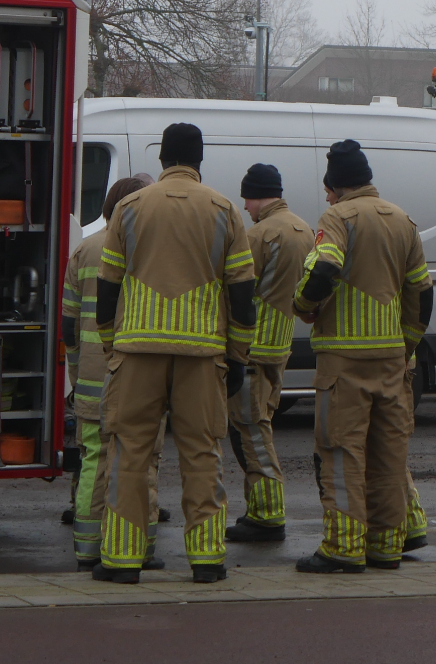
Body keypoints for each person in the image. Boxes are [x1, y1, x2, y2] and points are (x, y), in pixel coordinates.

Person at [93, 123, 256, 584]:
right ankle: (206, 560)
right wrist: (238, 354)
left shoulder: (128, 207)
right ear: (198, 160)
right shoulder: (224, 210)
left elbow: (107, 289)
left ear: (162, 159)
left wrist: (111, 343)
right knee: (202, 453)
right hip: (203, 355)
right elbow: (243, 293)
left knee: (130, 453)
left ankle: (122, 562)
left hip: (137, 352)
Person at [294, 139, 433, 574]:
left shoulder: (338, 217)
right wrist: (406, 343)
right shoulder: (402, 220)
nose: (327, 197)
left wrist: (303, 305)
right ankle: (386, 546)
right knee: (389, 455)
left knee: (341, 453)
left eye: (328, 189)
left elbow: (325, 266)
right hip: (393, 360)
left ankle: (342, 547)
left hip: (343, 362)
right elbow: (422, 292)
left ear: (336, 186)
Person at [62, 173, 154, 569]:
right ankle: (141, 548)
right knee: (141, 460)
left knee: (93, 460)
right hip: (135, 378)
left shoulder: (83, 250)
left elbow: (68, 327)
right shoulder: (148, 252)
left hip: (89, 378)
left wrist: (76, 371)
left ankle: (86, 547)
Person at [225, 163, 313, 543]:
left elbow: (239, 291)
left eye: (247, 197)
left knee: (250, 430)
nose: (245, 205)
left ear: (259, 194)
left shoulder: (259, 234)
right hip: (280, 347)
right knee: (259, 424)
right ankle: (263, 510)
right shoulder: (303, 229)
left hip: (252, 351)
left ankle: (266, 513)